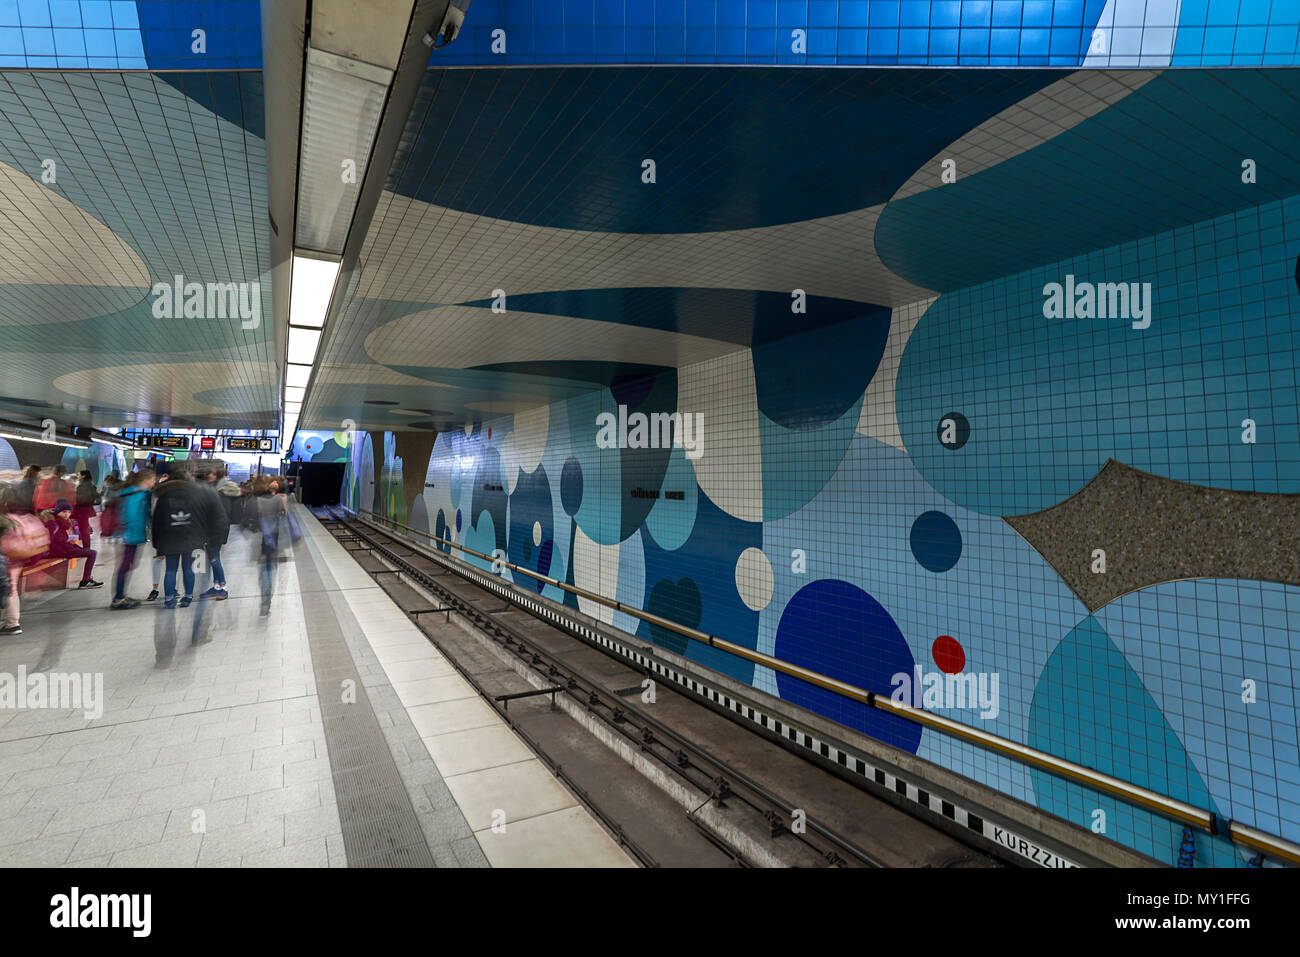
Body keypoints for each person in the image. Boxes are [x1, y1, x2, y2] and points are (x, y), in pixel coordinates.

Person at [151, 467, 221, 608]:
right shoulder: (196, 495)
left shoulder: (164, 496)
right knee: (188, 568)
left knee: (170, 569)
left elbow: (156, 521)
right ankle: (188, 597)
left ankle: (169, 599)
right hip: (191, 537)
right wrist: (203, 537)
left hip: (169, 538)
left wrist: (156, 542)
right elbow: (201, 518)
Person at [110, 468, 155, 609]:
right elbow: (132, 516)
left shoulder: (128, 492)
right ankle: (118, 598)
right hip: (129, 536)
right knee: (124, 566)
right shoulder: (138, 495)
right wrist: (135, 536)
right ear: (146, 480)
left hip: (124, 534)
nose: (154, 483)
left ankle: (121, 595)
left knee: (126, 566)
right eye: (153, 480)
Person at [194, 463, 238, 600]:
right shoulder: (218, 490)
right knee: (214, 557)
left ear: (218, 476)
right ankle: (217, 586)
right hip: (216, 528)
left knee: (214, 558)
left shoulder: (221, 492)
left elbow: (218, 513)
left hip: (215, 530)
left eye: (212, 474)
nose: (209, 476)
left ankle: (223, 587)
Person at [44, 499, 102, 588]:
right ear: (58, 512)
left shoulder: (61, 522)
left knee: (89, 552)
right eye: (64, 512)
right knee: (92, 553)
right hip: (58, 551)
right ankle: (85, 580)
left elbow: (62, 540)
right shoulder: (53, 523)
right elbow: (54, 541)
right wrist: (70, 548)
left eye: (69, 512)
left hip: (63, 549)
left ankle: (86, 580)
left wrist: (73, 546)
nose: (67, 514)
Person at [253, 475, 287, 615]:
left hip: (260, 542)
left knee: (263, 573)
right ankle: (266, 602)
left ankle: (264, 600)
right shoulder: (279, 499)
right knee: (269, 571)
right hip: (273, 540)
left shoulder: (256, 501)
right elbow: (284, 516)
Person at [73, 470, 99, 548]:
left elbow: (80, 499)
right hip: (86, 509)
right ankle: (86, 546)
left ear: (83, 476)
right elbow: (96, 497)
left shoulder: (83, 486)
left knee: (83, 529)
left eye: (79, 475)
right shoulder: (91, 485)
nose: (77, 476)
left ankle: (86, 547)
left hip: (82, 509)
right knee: (84, 528)